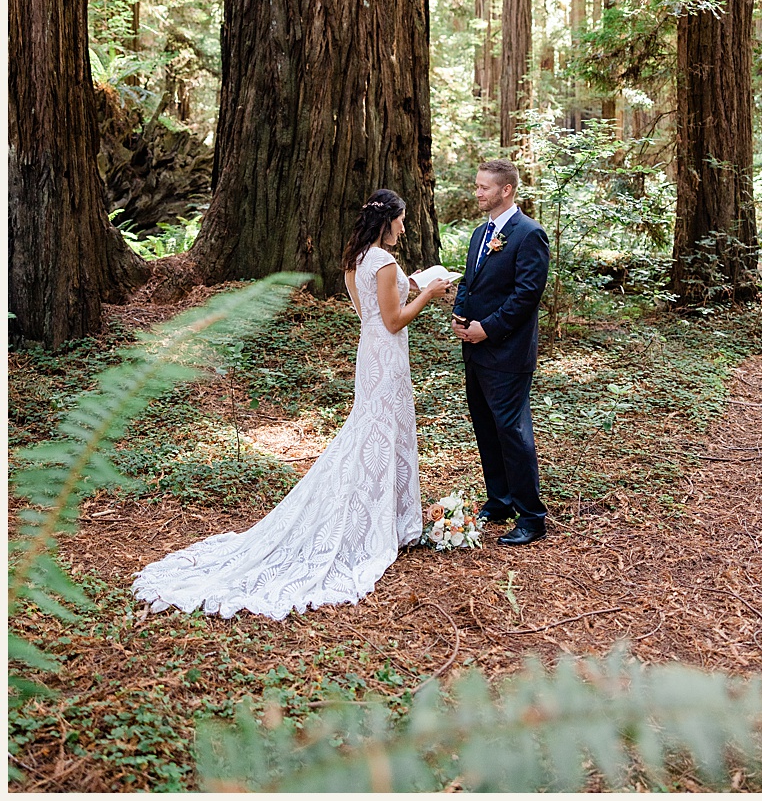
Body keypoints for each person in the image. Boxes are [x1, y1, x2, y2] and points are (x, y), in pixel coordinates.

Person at [132, 189, 448, 619]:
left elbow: (370, 312)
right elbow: (393, 320)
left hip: (368, 353)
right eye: (402, 220)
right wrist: (427, 293)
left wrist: (408, 285)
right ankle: (383, 522)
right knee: (383, 431)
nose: (405, 227)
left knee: (370, 431)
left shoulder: (356, 261)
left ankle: (382, 513)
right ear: (387, 220)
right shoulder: (385, 262)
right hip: (387, 357)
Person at [450, 159, 553, 545]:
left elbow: (527, 295)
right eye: (477, 186)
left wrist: (487, 329)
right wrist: (461, 315)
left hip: (507, 353)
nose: (477, 193)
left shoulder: (530, 235)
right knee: (486, 428)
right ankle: (500, 500)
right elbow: (471, 281)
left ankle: (532, 517)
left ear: (505, 190)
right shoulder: (482, 233)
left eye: (484, 188)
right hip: (475, 351)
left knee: (512, 433)